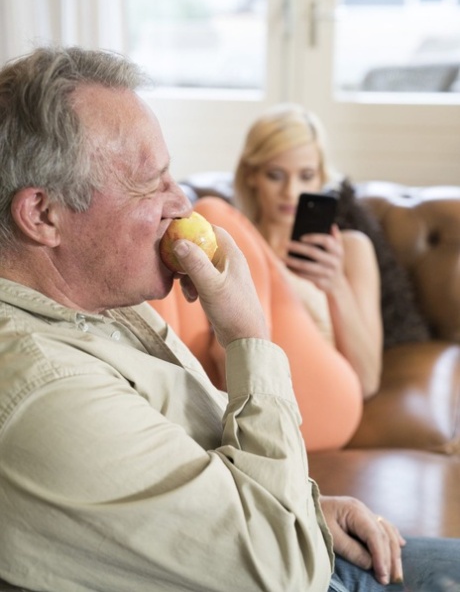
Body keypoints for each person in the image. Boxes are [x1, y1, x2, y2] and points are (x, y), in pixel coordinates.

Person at [0, 46, 458, 592]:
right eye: (151, 181)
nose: (181, 202)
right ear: (43, 214)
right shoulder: (50, 394)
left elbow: (214, 475)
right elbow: (286, 573)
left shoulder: (102, 306)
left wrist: (310, 508)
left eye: (173, 174)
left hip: (295, 537)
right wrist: (246, 335)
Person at [151, 104, 381, 450]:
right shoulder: (238, 235)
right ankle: (152, 398)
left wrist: (336, 288)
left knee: (212, 217)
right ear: (252, 176)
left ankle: (155, 395)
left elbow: (368, 380)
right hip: (227, 394)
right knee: (192, 244)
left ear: (321, 179)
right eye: (276, 175)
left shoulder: (349, 248)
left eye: (306, 176)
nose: (290, 192)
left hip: (321, 400)